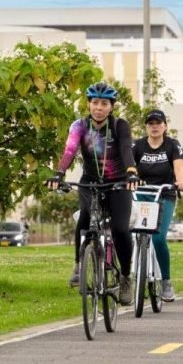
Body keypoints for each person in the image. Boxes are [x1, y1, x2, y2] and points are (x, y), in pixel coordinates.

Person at [47, 81, 140, 305]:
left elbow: (126, 148)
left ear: (111, 106)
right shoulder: (79, 126)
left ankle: (125, 277)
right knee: (86, 216)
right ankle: (79, 265)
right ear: (88, 104)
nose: (99, 107)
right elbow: (70, 149)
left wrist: (131, 171)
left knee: (120, 229)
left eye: (104, 104)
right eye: (95, 102)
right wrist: (59, 173)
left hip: (118, 183)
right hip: (90, 181)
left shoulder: (120, 126)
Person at [132, 109, 183, 302]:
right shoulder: (137, 145)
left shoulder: (172, 144)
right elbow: (129, 167)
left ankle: (166, 281)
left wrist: (181, 182)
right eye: (150, 124)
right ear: (146, 127)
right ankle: (129, 277)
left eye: (158, 123)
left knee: (158, 238)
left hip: (164, 195)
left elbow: (179, 166)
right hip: (141, 195)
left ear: (165, 126)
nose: (154, 127)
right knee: (132, 236)